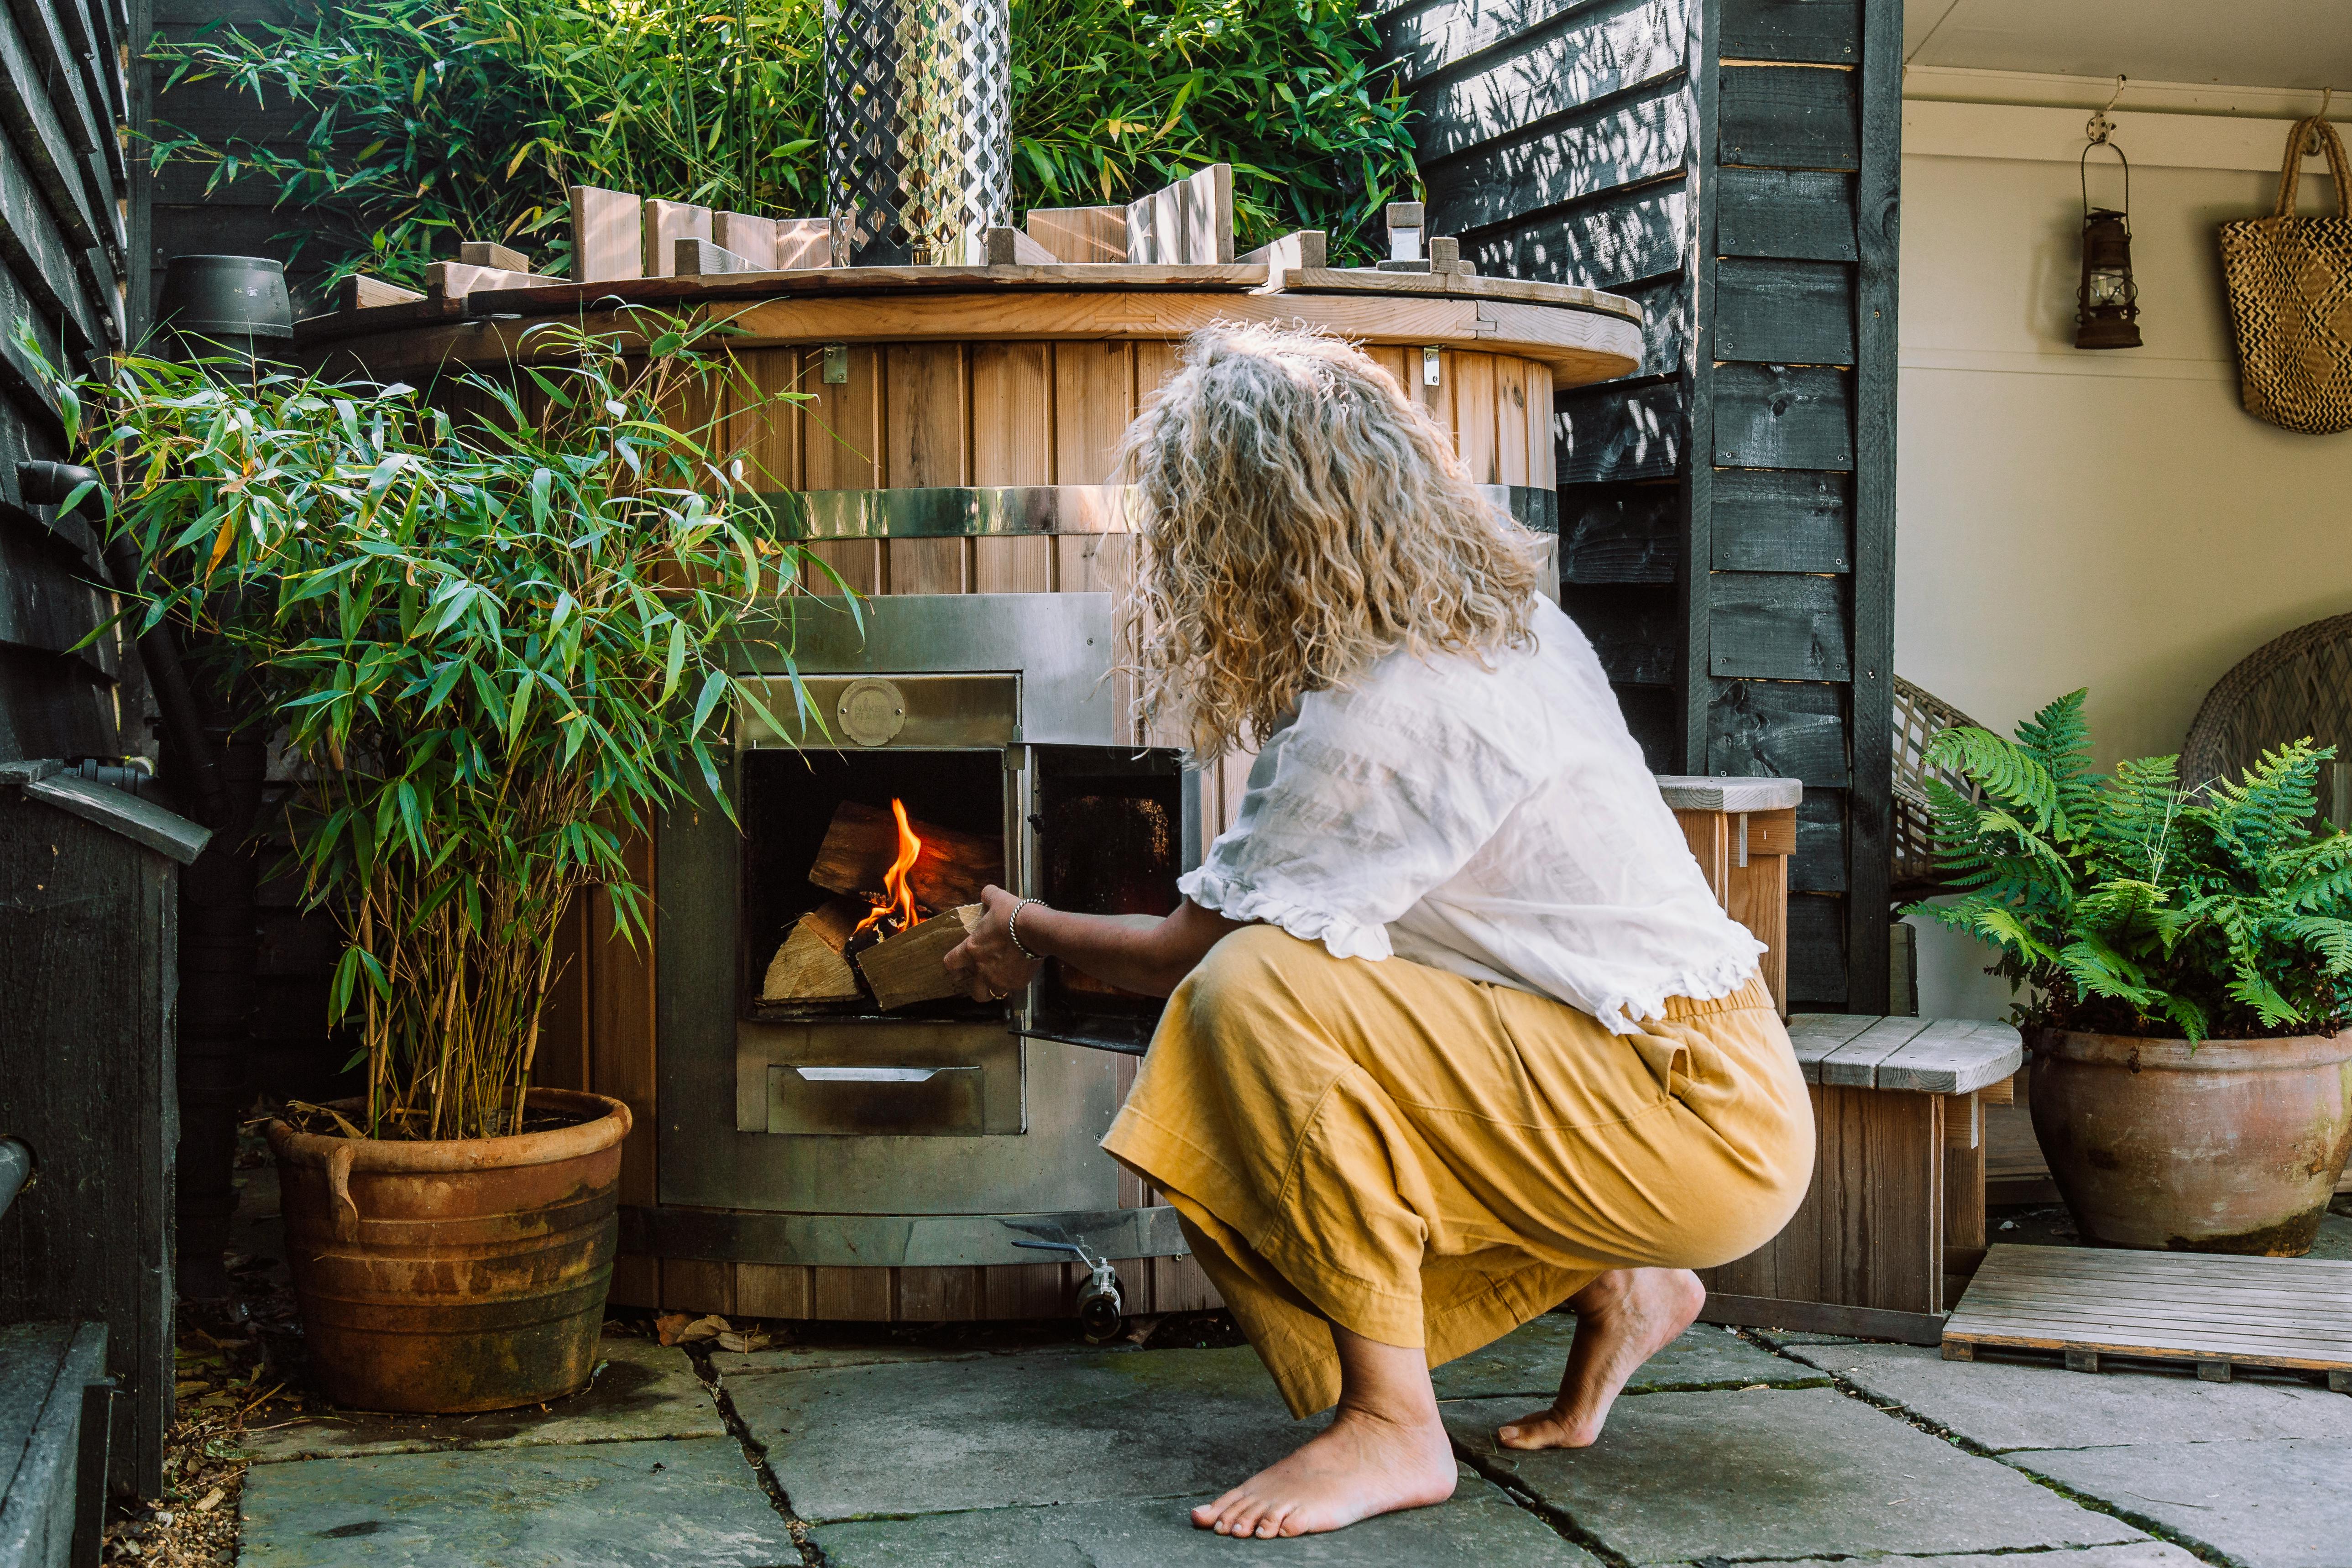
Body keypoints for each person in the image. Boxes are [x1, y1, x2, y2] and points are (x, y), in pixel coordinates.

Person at [943, 322, 1813, 1540]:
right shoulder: (1507, 624)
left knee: (1249, 997)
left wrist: (1020, 925)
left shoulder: (1387, 712)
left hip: (1681, 1116)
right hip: (1713, 1079)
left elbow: (1190, 953)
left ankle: (1393, 1420)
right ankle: (1626, 1279)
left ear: (1243, 534)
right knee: (1321, 969)